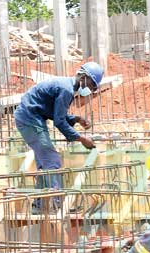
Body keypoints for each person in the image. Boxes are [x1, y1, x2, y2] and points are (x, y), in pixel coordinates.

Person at [14, 62, 103, 212]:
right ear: (83, 77)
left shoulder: (67, 87)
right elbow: (59, 122)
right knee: (52, 160)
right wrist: (81, 139)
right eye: (92, 85)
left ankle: (39, 206)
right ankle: (56, 204)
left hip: (31, 117)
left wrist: (76, 119)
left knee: (44, 163)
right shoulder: (66, 90)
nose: (91, 90)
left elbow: (56, 114)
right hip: (29, 119)